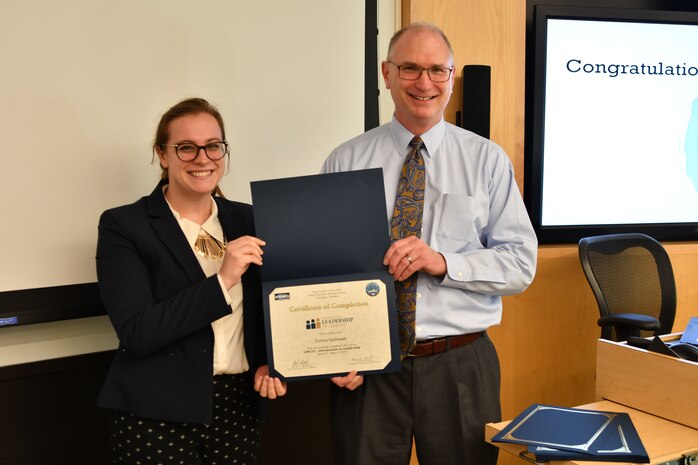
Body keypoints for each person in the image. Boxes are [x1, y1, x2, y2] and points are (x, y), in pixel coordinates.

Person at [321, 23, 538, 465]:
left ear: (452, 76)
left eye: (437, 70)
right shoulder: (345, 161)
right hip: (370, 367)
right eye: (411, 68)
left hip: (460, 362)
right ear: (386, 74)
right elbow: (326, 270)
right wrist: (337, 352)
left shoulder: (487, 160)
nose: (425, 83)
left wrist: (443, 262)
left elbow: (520, 264)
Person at [95, 97, 286, 465]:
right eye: (186, 148)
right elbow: (138, 331)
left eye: (213, 146)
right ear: (162, 155)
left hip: (238, 407)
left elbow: (270, 307)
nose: (203, 158)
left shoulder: (250, 219)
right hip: (155, 414)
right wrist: (223, 278)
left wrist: (269, 361)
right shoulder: (125, 226)